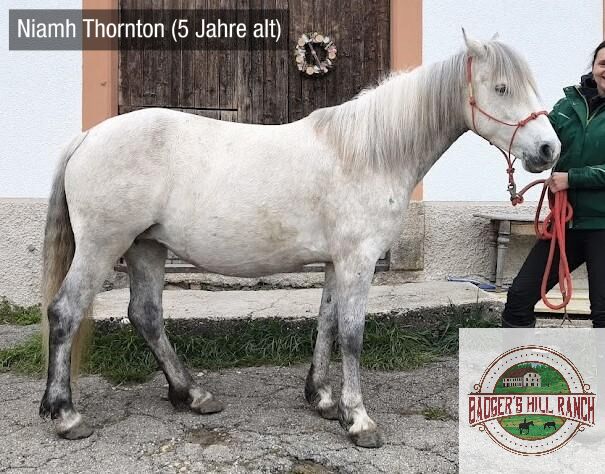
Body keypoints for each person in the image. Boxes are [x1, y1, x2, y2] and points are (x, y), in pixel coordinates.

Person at [502, 41, 605, 328]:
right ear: (594, 67)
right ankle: (519, 368)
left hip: (602, 224)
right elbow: (542, 143)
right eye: (603, 63)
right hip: (566, 225)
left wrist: (572, 179)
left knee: (603, 315)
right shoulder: (566, 106)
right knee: (519, 298)